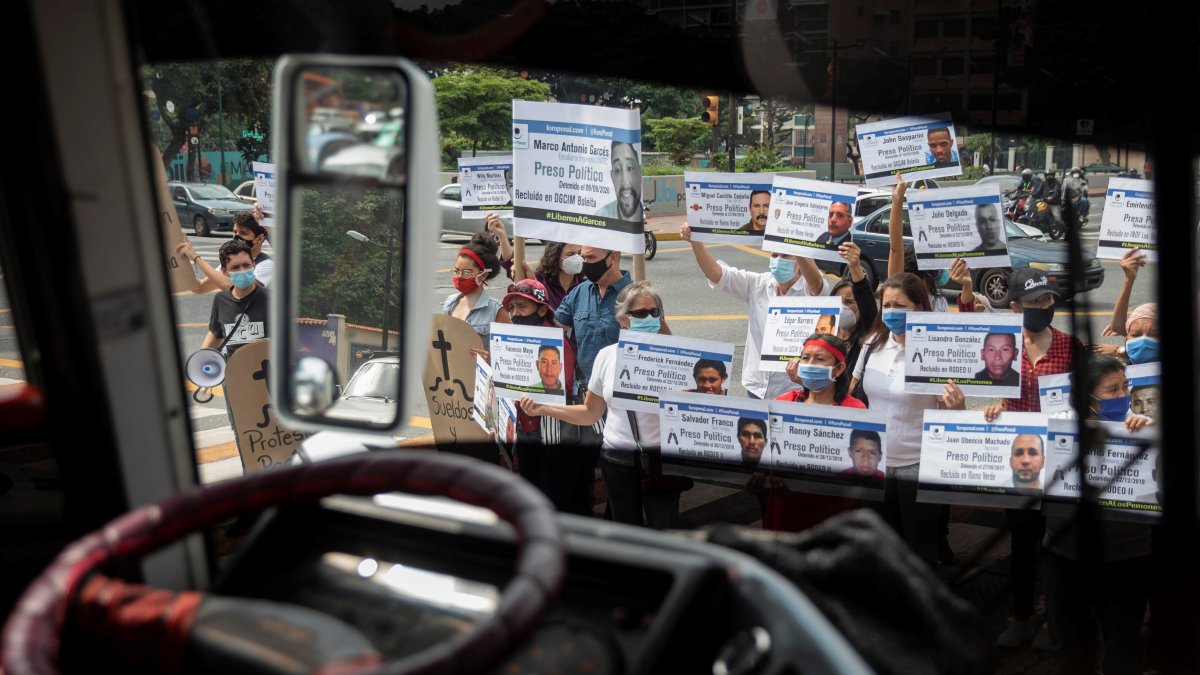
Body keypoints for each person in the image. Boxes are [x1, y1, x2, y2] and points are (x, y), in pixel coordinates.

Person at [980, 268, 1084, 649]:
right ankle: (1022, 617)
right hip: (1020, 462)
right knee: (1022, 543)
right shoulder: (1003, 348)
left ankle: (1057, 621)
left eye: (1046, 300)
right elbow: (981, 383)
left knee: (1060, 545)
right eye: (1033, 302)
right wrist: (992, 405)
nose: (1042, 307)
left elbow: (1086, 399)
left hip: (1060, 462)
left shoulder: (1072, 347)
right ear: (1015, 306)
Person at [522, 282, 680, 528]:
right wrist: (544, 409)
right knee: (625, 533)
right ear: (623, 319)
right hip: (617, 460)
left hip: (661, 458)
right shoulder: (607, 356)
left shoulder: (678, 357)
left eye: (654, 312)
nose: (648, 317)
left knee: (665, 530)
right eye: (640, 313)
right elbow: (590, 412)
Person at [1041, 353, 1152, 675]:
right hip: (1066, 556)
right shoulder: (1056, 426)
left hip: (1127, 557)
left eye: (1124, 387)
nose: (1122, 396)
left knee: (1123, 643)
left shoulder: (1141, 425)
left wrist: (1149, 437)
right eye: (1111, 390)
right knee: (1068, 644)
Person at [849, 273, 966, 566]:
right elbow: (850, 395)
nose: (890, 311)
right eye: (886, 305)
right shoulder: (871, 345)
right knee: (881, 547)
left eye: (899, 305)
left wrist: (958, 406)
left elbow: (950, 416)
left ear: (918, 308)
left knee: (918, 548)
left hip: (918, 464)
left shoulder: (936, 351)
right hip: (874, 465)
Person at [680, 224, 829, 399]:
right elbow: (716, 274)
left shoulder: (810, 289)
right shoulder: (758, 284)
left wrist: (795, 243)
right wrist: (696, 242)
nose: (779, 259)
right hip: (756, 389)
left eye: (786, 255)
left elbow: (816, 283)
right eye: (775, 255)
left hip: (792, 389)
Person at [501, 279, 593, 516]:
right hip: (524, 427)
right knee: (530, 491)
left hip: (552, 430)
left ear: (541, 309)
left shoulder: (557, 342)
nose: (515, 314)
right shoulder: (512, 338)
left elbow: (565, 385)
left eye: (523, 307)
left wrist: (541, 403)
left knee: (554, 496)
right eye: (512, 308)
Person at [555, 247, 633, 381]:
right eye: (583, 257)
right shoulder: (579, 292)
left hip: (622, 389)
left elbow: (659, 342)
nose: (585, 263)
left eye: (591, 258)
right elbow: (553, 326)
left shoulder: (636, 296)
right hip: (587, 390)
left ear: (613, 257)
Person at [489, 214, 584, 310]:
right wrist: (502, 235)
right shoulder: (539, 280)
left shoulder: (585, 286)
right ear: (556, 256)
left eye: (579, 253)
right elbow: (512, 264)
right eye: (570, 254)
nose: (577, 258)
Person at [177, 211, 274, 293]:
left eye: (243, 233)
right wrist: (180, 259)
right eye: (235, 232)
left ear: (260, 238)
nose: (236, 237)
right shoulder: (230, 261)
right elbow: (200, 288)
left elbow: (240, 291)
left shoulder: (266, 264)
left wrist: (196, 258)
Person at [199, 239, 268, 355]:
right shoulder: (220, 300)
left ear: (254, 265)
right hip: (233, 371)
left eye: (246, 265)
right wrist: (199, 360)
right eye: (235, 268)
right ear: (224, 271)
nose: (242, 271)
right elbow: (216, 334)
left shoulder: (272, 299)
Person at [1096, 248, 1158, 364]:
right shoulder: (1120, 375)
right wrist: (1129, 279)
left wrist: (1119, 350)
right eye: (1136, 335)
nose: (1143, 342)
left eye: (1155, 335)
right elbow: (1118, 327)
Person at [443, 232, 510, 337]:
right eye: (456, 271)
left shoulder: (496, 310)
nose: (459, 276)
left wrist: (487, 354)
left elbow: (509, 347)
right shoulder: (450, 303)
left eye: (466, 272)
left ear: (483, 275)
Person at [595, 141, 642, 222]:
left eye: (630, 168)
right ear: (612, 177)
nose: (625, 183)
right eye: (617, 170)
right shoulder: (601, 217)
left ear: (640, 172)